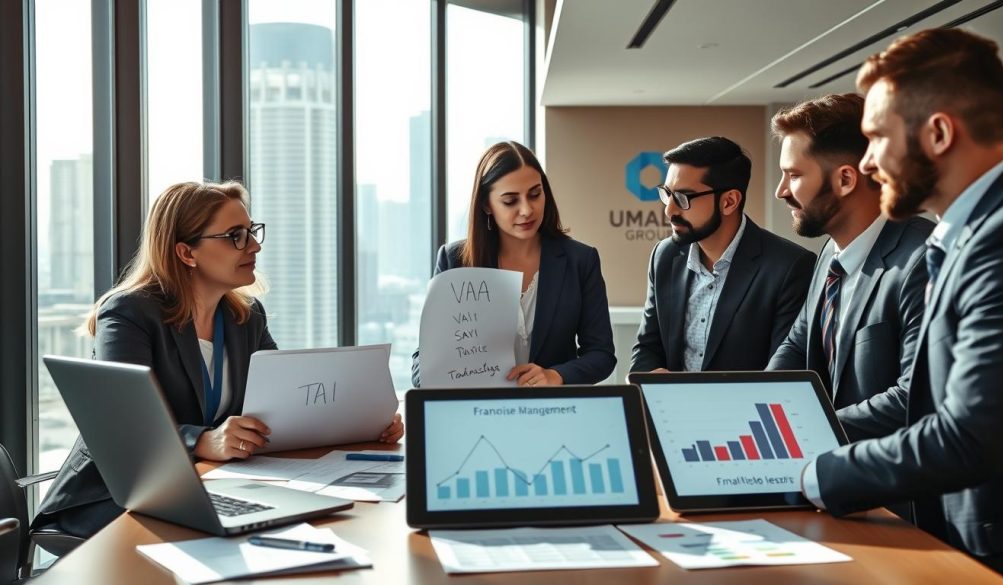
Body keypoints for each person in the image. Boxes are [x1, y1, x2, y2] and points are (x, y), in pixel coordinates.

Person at [35, 181, 404, 539]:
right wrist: (202, 441)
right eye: (235, 236)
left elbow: (285, 406)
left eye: (252, 230)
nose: (255, 245)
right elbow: (120, 425)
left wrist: (364, 422)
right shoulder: (130, 313)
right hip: (112, 499)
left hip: (208, 486)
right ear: (186, 253)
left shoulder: (246, 317)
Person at [800, 29, 1003, 581]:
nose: (869, 163)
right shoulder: (972, 232)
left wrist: (822, 474)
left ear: (939, 133)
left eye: (877, 138)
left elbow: (968, 435)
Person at [767, 93, 932, 413]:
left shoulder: (921, 261)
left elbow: (912, 396)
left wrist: (811, 429)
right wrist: (752, 404)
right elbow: (798, 346)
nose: (781, 190)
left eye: (795, 175)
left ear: (845, 179)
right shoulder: (830, 252)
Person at [411, 141, 616, 387]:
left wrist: (555, 375)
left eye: (535, 194)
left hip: (554, 413)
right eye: (510, 201)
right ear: (487, 205)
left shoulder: (581, 260)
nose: (526, 210)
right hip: (478, 415)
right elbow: (421, 369)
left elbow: (601, 355)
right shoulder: (455, 261)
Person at [631, 137, 815, 373]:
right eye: (667, 194)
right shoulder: (665, 256)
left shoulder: (789, 267)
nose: (669, 210)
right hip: (670, 407)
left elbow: (783, 371)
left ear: (729, 201)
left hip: (745, 409)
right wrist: (652, 378)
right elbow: (647, 347)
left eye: (683, 198)